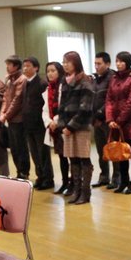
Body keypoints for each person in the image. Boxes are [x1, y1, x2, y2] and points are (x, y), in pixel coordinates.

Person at [55, 51, 95, 205]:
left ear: (76, 63)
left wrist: (71, 126)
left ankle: (85, 192)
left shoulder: (85, 81)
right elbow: (61, 106)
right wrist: (62, 125)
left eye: (68, 62)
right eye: (63, 62)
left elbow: (85, 109)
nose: (65, 65)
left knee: (84, 159)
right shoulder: (64, 81)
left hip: (81, 127)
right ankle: (76, 191)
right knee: (73, 159)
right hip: (67, 127)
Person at [105, 51, 131, 194]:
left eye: (121, 61)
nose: (118, 64)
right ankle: (123, 181)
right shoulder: (114, 79)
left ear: (128, 62)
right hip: (115, 122)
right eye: (117, 61)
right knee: (120, 152)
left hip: (130, 122)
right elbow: (109, 99)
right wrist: (110, 119)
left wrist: (120, 120)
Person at [21, 57, 54, 190]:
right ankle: (40, 176)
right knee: (34, 153)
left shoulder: (41, 83)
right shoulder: (25, 82)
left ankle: (48, 179)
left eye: (28, 66)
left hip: (40, 124)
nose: (25, 68)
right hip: (28, 124)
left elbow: (45, 104)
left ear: (36, 68)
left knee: (43, 153)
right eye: (24, 66)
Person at [0, 55, 30, 180]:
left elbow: (17, 101)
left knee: (21, 147)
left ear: (16, 66)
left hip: (19, 119)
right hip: (11, 119)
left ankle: (24, 172)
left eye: (9, 64)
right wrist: (2, 113)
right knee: (13, 148)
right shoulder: (9, 80)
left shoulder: (22, 79)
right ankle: (19, 171)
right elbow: (5, 98)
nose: (7, 67)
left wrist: (5, 115)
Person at [45, 61, 71, 194]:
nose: (50, 74)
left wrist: (56, 120)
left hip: (65, 125)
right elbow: (45, 109)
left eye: (53, 71)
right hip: (54, 127)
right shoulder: (48, 88)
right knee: (61, 156)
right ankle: (65, 182)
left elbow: (65, 106)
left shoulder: (64, 85)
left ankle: (73, 183)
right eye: (48, 71)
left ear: (59, 72)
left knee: (70, 156)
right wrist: (49, 121)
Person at [91, 52, 116, 189]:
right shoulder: (95, 79)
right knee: (101, 151)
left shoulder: (113, 78)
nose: (96, 66)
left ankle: (117, 177)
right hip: (96, 121)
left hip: (108, 120)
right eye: (95, 63)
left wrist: (100, 114)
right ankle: (104, 176)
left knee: (113, 149)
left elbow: (111, 100)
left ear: (107, 64)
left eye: (99, 63)